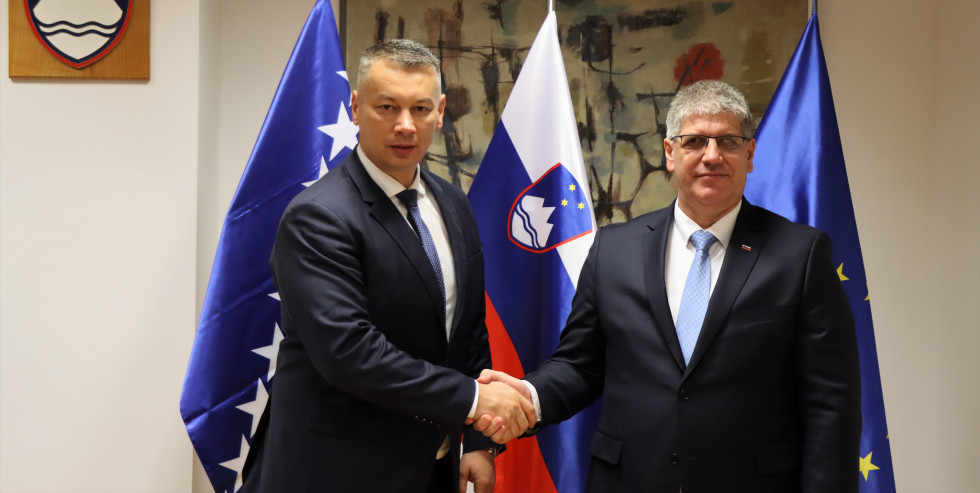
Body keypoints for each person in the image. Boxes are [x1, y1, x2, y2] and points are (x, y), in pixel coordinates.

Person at [476, 79, 861, 493]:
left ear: (749, 155)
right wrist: (529, 398)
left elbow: (831, 404)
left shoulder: (800, 255)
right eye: (694, 141)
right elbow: (581, 365)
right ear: (669, 153)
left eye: (728, 142)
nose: (711, 156)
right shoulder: (613, 249)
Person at [242, 39, 535, 493]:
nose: (405, 125)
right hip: (334, 473)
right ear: (356, 108)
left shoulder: (454, 205)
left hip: (431, 469)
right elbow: (349, 353)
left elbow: (467, 332)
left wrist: (476, 440)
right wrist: (474, 401)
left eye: (420, 109)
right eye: (387, 107)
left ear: (440, 112)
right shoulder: (318, 216)